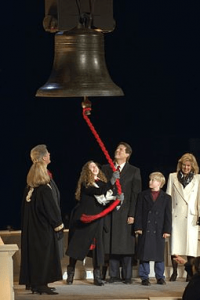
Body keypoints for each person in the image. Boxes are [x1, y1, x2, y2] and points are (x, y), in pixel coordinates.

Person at [65, 161, 122, 286]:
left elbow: (106, 199)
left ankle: (97, 277)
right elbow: (100, 191)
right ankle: (71, 274)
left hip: (97, 220)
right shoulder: (87, 184)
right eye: (91, 167)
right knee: (77, 246)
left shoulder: (103, 183)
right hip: (84, 219)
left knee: (98, 249)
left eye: (95, 166)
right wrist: (111, 181)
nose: (94, 168)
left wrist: (118, 200)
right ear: (87, 171)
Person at [19, 160, 64, 295]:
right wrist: (58, 225)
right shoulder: (44, 189)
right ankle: (42, 284)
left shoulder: (29, 190)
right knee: (44, 257)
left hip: (31, 230)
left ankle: (35, 284)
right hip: (43, 230)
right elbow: (51, 210)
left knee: (34, 257)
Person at [102, 142, 142, 284]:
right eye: (117, 148)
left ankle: (127, 275)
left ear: (127, 154)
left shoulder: (134, 171)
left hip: (125, 213)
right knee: (112, 243)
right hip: (110, 212)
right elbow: (101, 188)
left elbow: (135, 194)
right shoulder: (106, 169)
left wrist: (132, 214)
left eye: (121, 149)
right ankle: (113, 275)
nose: (117, 151)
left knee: (126, 244)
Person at [166, 153, 200, 282]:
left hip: (191, 216)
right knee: (175, 245)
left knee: (191, 246)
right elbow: (168, 197)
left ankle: (189, 274)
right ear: (180, 165)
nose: (186, 168)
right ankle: (174, 272)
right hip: (176, 215)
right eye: (184, 165)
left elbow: (199, 198)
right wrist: (167, 216)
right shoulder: (172, 177)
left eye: (188, 166)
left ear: (192, 167)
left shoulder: (198, 178)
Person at [134, 172, 172, 286]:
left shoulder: (166, 198)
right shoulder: (142, 195)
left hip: (159, 229)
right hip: (146, 228)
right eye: (150, 180)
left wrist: (167, 230)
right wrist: (138, 227)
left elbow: (168, 215)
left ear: (159, 183)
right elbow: (138, 213)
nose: (150, 182)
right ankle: (144, 277)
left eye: (153, 180)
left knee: (159, 255)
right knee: (144, 254)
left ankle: (160, 277)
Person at [30, 144, 64, 259]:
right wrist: (58, 225)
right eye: (48, 152)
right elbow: (48, 205)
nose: (49, 154)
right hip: (47, 230)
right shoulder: (43, 183)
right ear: (44, 157)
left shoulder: (40, 178)